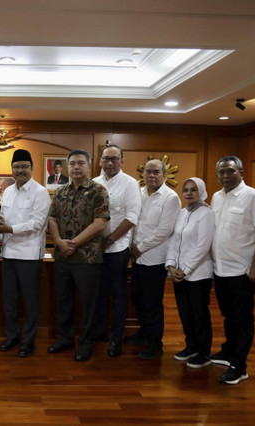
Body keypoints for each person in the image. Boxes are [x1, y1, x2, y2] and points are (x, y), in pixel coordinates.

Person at [210, 156, 255, 385]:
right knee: (228, 315)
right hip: (220, 269)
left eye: (230, 171)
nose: (225, 176)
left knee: (243, 318)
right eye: (221, 172)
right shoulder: (216, 197)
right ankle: (228, 351)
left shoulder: (254, 196)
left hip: (242, 270)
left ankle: (239, 365)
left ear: (241, 172)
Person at [48, 149, 109, 362]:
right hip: (62, 256)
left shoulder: (98, 190)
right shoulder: (60, 191)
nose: (76, 167)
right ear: (66, 166)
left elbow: (101, 222)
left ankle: (86, 343)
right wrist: (59, 242)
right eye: (72, 163)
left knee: (87, 304)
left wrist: (73, 243)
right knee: (63, 301)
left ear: (89, 165)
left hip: (87, 258)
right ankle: (65, 339)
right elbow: (52, 218)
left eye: (80, 163)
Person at [0, 149, 50, 357]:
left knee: (31, 302)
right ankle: (12, 336)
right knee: (10, 300)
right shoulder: (7, 192)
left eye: (24, 166)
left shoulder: (40, 192)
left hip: (29, 256)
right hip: (8, 254)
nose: (20, 170)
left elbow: (37, 224)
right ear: (12, 170)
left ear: (32, 168)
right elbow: (2, 221)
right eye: (17, 167)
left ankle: (28, 341)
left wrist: (7, 229)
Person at [128, 159, 180, 360]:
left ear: (164, 175)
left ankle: (155, 343)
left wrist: (139, 248)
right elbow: (133, 222)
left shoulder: (170, 198)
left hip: (154, 258)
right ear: (142, 174)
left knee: (152, 304)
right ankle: (143, 334)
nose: (151, 175)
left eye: (156, 172)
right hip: (137, 258)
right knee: (138, 299)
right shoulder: (139, 194)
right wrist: (132, 248)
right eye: (148, 172)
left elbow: (164, 231)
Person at [93, 144, 141, 357]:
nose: (109, 163)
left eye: (114, 159)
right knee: (99, 294)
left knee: (119, 296)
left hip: (118, 249)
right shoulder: (93, 183)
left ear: (122, 161)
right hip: (95, 249)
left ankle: (116, 339)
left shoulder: (131, 184)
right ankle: (100, 332)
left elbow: (131, 218)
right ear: (100, 161)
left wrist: (110, 240)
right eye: (106, 159)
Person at [165, 177, 214, 369]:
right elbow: (174, 241)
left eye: (193, 190)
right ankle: (191, 346)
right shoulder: (182, 213)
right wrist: (171, 267)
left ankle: (204, 352)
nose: (188, 193)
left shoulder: (206, 213)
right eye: (185, 189)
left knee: (199, 313)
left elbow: (203, 246)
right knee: (185, 313)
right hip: (179, 274)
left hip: (198, 274)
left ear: (201, 191)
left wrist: (184, 270)